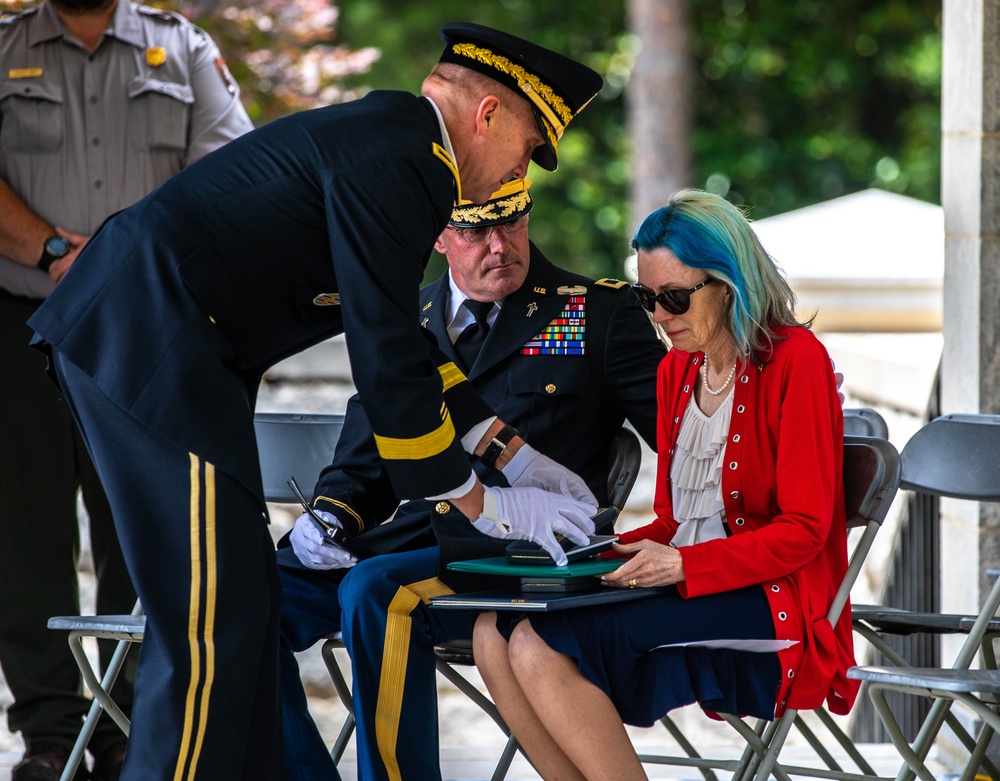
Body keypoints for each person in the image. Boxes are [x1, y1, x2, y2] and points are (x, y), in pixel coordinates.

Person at [26, 23, 604, 781]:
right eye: (527, 149)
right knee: (210, 621)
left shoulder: (392, 142)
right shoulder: (411, 159)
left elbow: (398, 331)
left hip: (162, 348)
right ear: (488, 114)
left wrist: (505, 446)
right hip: (154, 347)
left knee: (246, 606)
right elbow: (386, 357)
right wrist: (477, 502)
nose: (513, 176)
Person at [276, 179, 666, 781]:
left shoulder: (596, 312)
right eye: (474, 230)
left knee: (377, 592)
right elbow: (363, 461)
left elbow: (684, 432)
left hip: (517, 557)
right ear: (438, 234)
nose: (498, 245)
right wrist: (331, 515)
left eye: (511, 224)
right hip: (408, 546)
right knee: (245, 596)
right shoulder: (406, 318)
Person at [472, 189, 856, 781]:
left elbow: (805, 532)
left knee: (537, 644)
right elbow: (675, 522)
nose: (658, 314)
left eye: (675, 296)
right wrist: (602, 551)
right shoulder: (677, 368)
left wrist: (682, 566)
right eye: (647, 297)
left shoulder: (795, 360)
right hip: (695, 581)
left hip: (775, 600)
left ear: (729, 284)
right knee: (491, 630)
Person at [0, 0, 252, 777]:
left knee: (141, 526)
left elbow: (231, 172)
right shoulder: (4, 45)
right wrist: (51, 250)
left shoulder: (181, 49)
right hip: (21, 319)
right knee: (24, 533)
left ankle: (127, 726)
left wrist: (126, 261)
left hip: (145, 328)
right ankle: (49, 733)